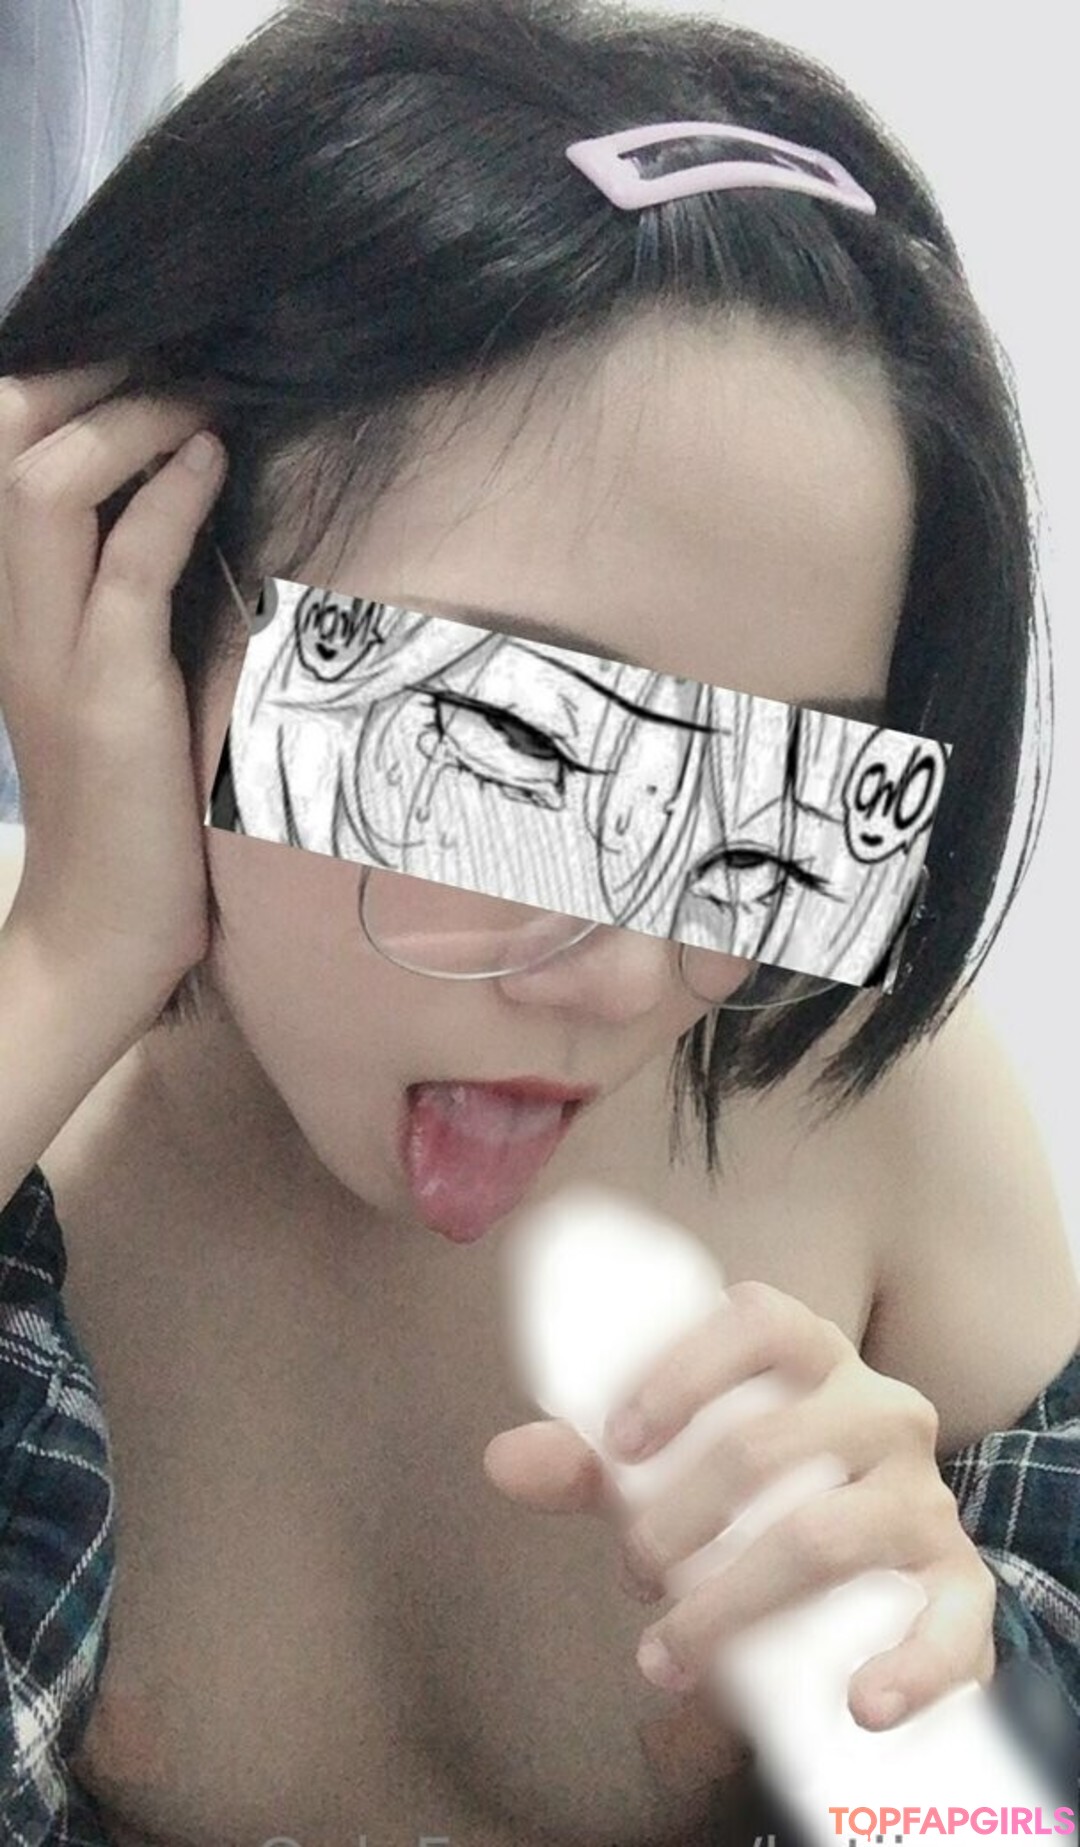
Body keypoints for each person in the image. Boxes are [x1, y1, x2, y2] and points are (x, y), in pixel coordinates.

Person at [0, 1, 1077, 1843]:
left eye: (788, 803)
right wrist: (72, 958)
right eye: (505, 742)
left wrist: (950, 1746)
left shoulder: (869, 1100)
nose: (638, 968)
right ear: (146, 578)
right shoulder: (35, 1076)